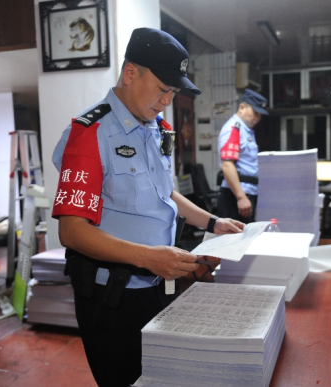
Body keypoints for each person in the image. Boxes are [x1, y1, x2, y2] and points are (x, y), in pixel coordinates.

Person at [51, 27, 245, 387]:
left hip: (158, 284)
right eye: (162, 88)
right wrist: (148, 257)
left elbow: (165, 193)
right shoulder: (89, 133)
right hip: (114, 298)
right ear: (130, 73)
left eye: (173, 91)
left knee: (160, 376)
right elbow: (72, 231)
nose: (167, 100)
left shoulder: (156, 129)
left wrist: (214, 222)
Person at [216, 88, 269, 223]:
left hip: (246, 193)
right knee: (235, 240)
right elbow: (227, 165)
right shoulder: (234, 129)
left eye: (260, 114)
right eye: (255, 112)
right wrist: (241, 197)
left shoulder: (246, 131)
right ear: (242, 107)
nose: (257, 117)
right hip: (235, 196)